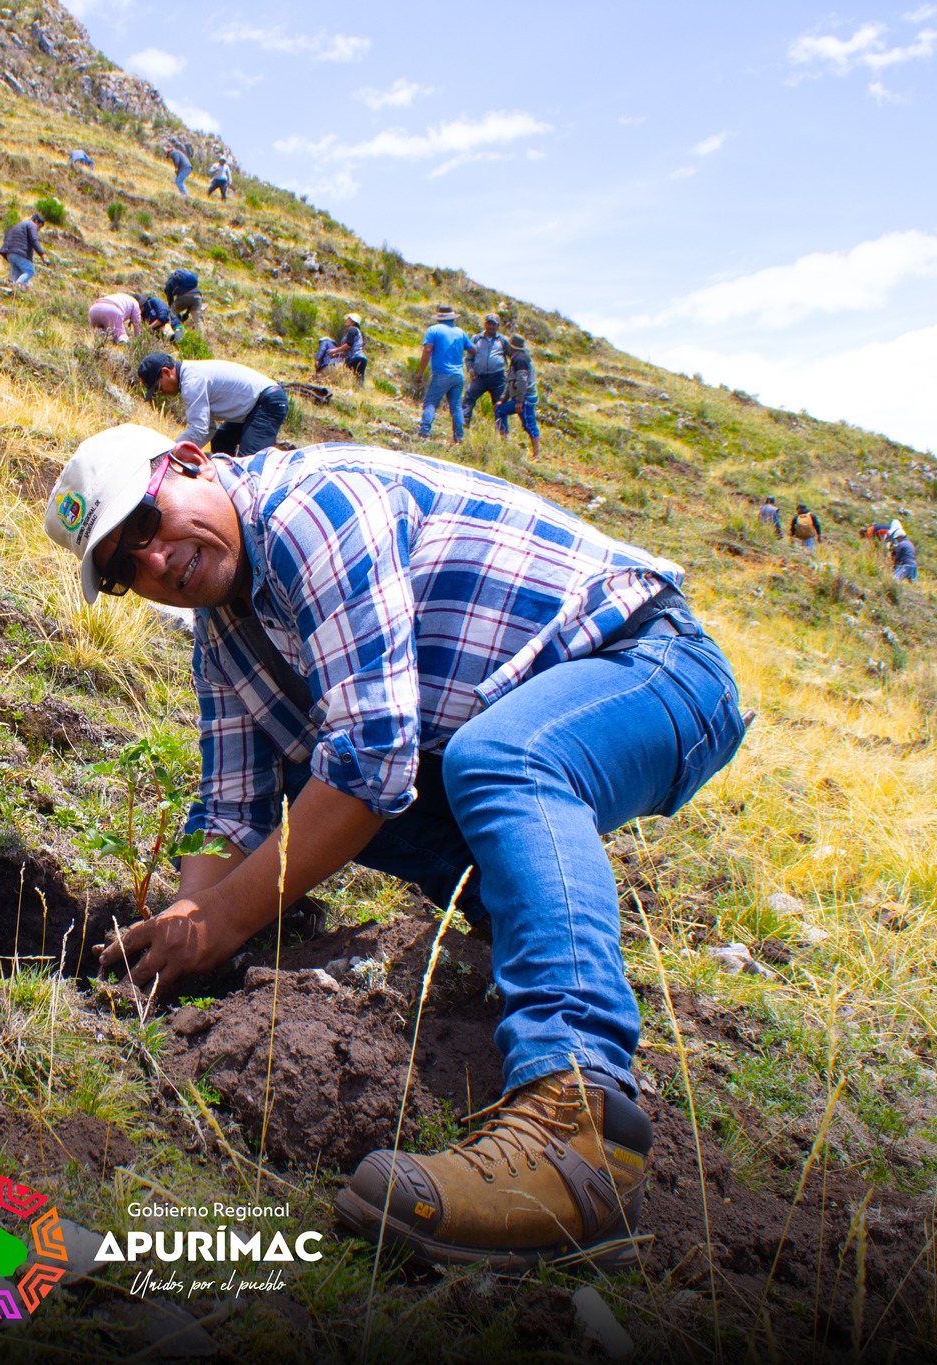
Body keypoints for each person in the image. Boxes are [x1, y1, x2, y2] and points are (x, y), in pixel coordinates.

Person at [42, 425, 742, 1271]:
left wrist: (225, 918)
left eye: (147, 522)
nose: (155, 561)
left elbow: (375, 757)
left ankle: (582, 1127)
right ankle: (530, 922)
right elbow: (230, 805)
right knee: (319, 782)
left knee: (488, 761)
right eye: (125, 569)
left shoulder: (314, 507)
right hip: (514, 715)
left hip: (652, 663)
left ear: (190, 460)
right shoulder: (222, 638)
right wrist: (191, 917)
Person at [137, 354, 287, 457]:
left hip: (267, 402)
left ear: (166, 372)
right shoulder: (190, 377)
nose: (161, 393)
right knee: (221, 440)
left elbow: (198, 429)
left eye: (158, 387)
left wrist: (169, 453)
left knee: (248, 464)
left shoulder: (192, 382)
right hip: (255, 405)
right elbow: (208, 429)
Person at [417, 305, 470, 442]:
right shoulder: (461, 332)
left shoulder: (433, 330)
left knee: (431, 402)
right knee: (456, 407)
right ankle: (459, 437)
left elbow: (428, 350)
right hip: (458, 375)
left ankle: (424, 433)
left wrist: (420, 372)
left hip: (441, 373)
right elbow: (473, 349)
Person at [460, 312, 508, 433]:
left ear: (498, 326)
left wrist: (510, 373)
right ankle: (463, 425)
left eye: (494, 324)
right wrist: (470, 370)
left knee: (499, 405)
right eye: (489, 323)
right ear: (485, 324)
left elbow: (512, 357)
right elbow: (468, 358)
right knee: (469, 397)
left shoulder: (502, 340)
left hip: (498, 378)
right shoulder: (476, 339)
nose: (491, 326)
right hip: (480, 377)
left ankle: (501, 433)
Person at [497, 333, 541, 457]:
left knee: (529, 424)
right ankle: (503, 443)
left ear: (512, 348)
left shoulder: (519, 359)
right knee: (500, 411)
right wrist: (502, 399)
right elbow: (510, 383)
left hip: (525, 398)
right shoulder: (519, 358)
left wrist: (519, 401)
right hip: (522, 397)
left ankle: (537, 455)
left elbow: (522, 381)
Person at [313, 312, 367, 385]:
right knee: (358, 381)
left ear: (352, 321)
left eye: (348, 319)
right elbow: (349, 351)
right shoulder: (357, 331)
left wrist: (335, 350)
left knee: (350, 379)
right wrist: (337, 355)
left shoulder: (352, 330)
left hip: (354, 358)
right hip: (360, 358)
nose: (346, 320)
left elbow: (348, 345)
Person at [0, 212, 47, 287]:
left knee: (19, 276)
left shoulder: (19, 224)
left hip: (9, 254)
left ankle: (15, 292)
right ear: (36, 221)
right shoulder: (32, 225)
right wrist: (42, 254)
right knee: (30, 271)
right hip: (18, 253)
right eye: (40, 226)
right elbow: (34, 240)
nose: (38, 229)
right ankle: (18, 287)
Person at [164, 267, 203, 337]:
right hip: (198, 296)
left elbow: (170, 298)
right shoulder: (189, 281)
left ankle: (175, 332)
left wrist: (175, 314)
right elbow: (191, 303)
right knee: (198, 321)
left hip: (184, 296)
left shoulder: (171, 281)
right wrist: (187, 313)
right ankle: (200, 341)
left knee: (171, 312)